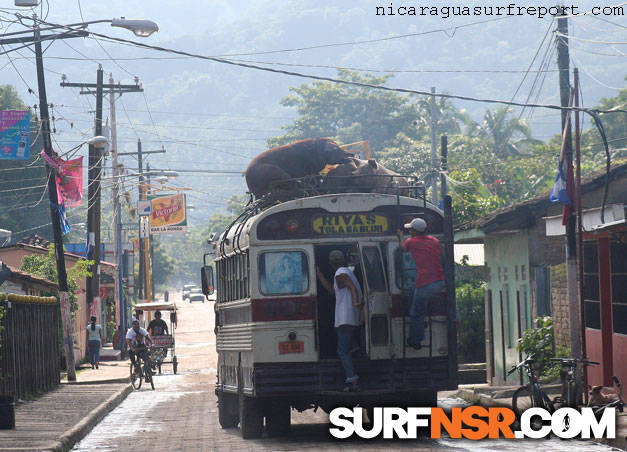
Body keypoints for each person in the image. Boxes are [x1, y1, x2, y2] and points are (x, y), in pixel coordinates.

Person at [316, 249, 364, 392]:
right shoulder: (348, 272)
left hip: (345, 318)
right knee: (349, 344)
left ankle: (352, 379)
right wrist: (319, 275)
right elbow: (333, 291)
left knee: (342, 351)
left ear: (331, 263)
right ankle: (355, 347)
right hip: (351, 318)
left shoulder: (340, 273)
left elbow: (352, 287)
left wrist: (355, 301)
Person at [397, 218, 445, 350]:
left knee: (416, 312)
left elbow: (403, 249)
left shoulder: (411, 242)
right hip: (440, 281)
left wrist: (400, 236)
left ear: (414, 231)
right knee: (413, 291)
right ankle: (421, 322)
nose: (409, 231)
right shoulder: (434, 241)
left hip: (425, 283)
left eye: (410, 229)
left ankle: (415, 340)